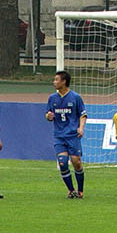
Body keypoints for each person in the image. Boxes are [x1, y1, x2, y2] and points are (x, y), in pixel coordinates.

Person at [45, 70, 87, 199]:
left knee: (76, 162)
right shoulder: (52, 98)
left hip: (73, 135)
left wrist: (81, 128)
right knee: (62, 163)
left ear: (64, 82)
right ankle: (71, 190)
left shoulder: (75, 97)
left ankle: (80, 191)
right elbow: (48, 115)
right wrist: (49, 116)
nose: (54, 82)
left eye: (56, 80)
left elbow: (83, 114)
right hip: (59, 136)